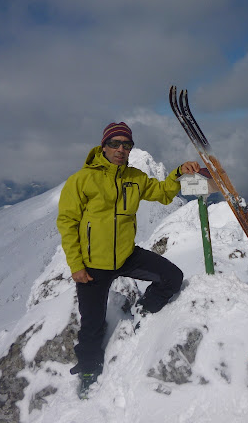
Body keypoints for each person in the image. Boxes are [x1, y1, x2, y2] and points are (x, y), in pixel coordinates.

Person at [57, 122, 200, 396]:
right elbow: (67, 221)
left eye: (126, 145)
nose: (121, 149)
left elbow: (163, 193)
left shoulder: (135, 177)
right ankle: (88, 369)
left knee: (172, 277)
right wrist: (76, 265)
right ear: (104, 146)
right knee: (92, 323)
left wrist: (179, 172)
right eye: (115, 144)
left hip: (126, 255)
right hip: (93, 264)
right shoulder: (82, 180)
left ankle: (143, 311)